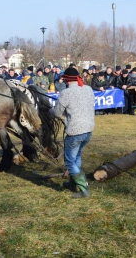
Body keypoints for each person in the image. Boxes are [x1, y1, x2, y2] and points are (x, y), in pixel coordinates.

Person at [49, 67, 95, 198]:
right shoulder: (88, 89)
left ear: (67, 80)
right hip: (88, 130)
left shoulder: (65, 93)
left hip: (75, 132)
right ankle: (72, 184)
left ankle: (84, 189)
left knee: (69, 161)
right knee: (77, 157)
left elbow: (57, 113)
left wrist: (49, 111)